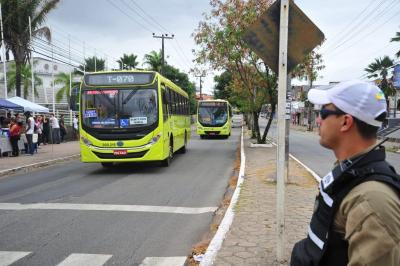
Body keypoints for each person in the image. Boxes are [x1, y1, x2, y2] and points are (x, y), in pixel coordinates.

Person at [291, 80, 400, 266]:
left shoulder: (371, 200)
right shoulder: (350, 171)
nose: (318, 120)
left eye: (323, 113)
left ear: (345, 122)